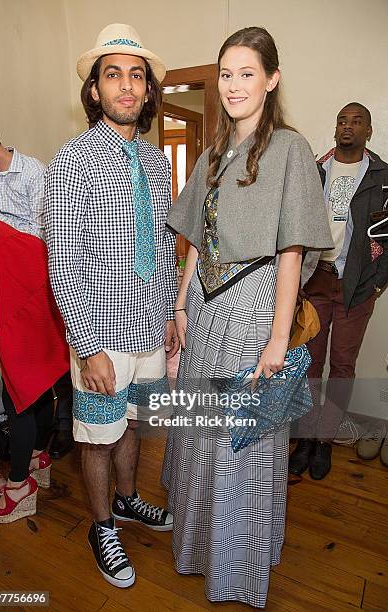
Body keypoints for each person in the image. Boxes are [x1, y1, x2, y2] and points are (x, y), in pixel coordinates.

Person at [161, 26, 333, 608]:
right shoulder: (212, 153)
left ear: (272, 79)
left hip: (256, 311)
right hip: (205, 313)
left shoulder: (290, 150)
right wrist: (180, 309)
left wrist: (278, 339)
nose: (234, 86)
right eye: (226, 74)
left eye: (247, 74)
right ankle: (195, 551)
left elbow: (291, 252)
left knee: (241, 449)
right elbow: (195, 242)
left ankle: (235, 574)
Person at [44, 23, 178, 589]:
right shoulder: (71, 160)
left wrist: (170, 311)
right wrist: (87, 346)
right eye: (113, 74)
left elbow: (165, 243)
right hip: (99, 332)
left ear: (147, 91)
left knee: (133, 428)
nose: (126, 85)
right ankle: (103, 526)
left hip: (150, 327)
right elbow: (62, 264)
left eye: (136, 74)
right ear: (95, 90)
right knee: (96, 438)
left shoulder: (156, 164)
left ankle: (128, 501)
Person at [289, 103, 388, 480]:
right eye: (342, 121)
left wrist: (375, 283)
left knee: (342, 366)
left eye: (356, 121)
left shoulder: (382, 177)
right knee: (310, 365)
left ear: (369, 131)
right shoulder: (316, 170)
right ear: (335, 130)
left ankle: (325, 440)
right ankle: (306, 439)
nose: (347, 127)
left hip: (356, 286)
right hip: (316, 281)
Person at [0, 117, 74, 458]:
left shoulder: (35, 173)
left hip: (45, 275)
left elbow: (43, 233)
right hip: (12, 283)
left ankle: (64, 430)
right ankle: (39, 449)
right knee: (30, 370)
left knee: (56, 358)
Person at [0, 217, 69, 522]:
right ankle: (37, 458)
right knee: (41, 382)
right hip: (42, 278)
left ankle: (18, 487)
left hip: (21, 294)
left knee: (16, 399)